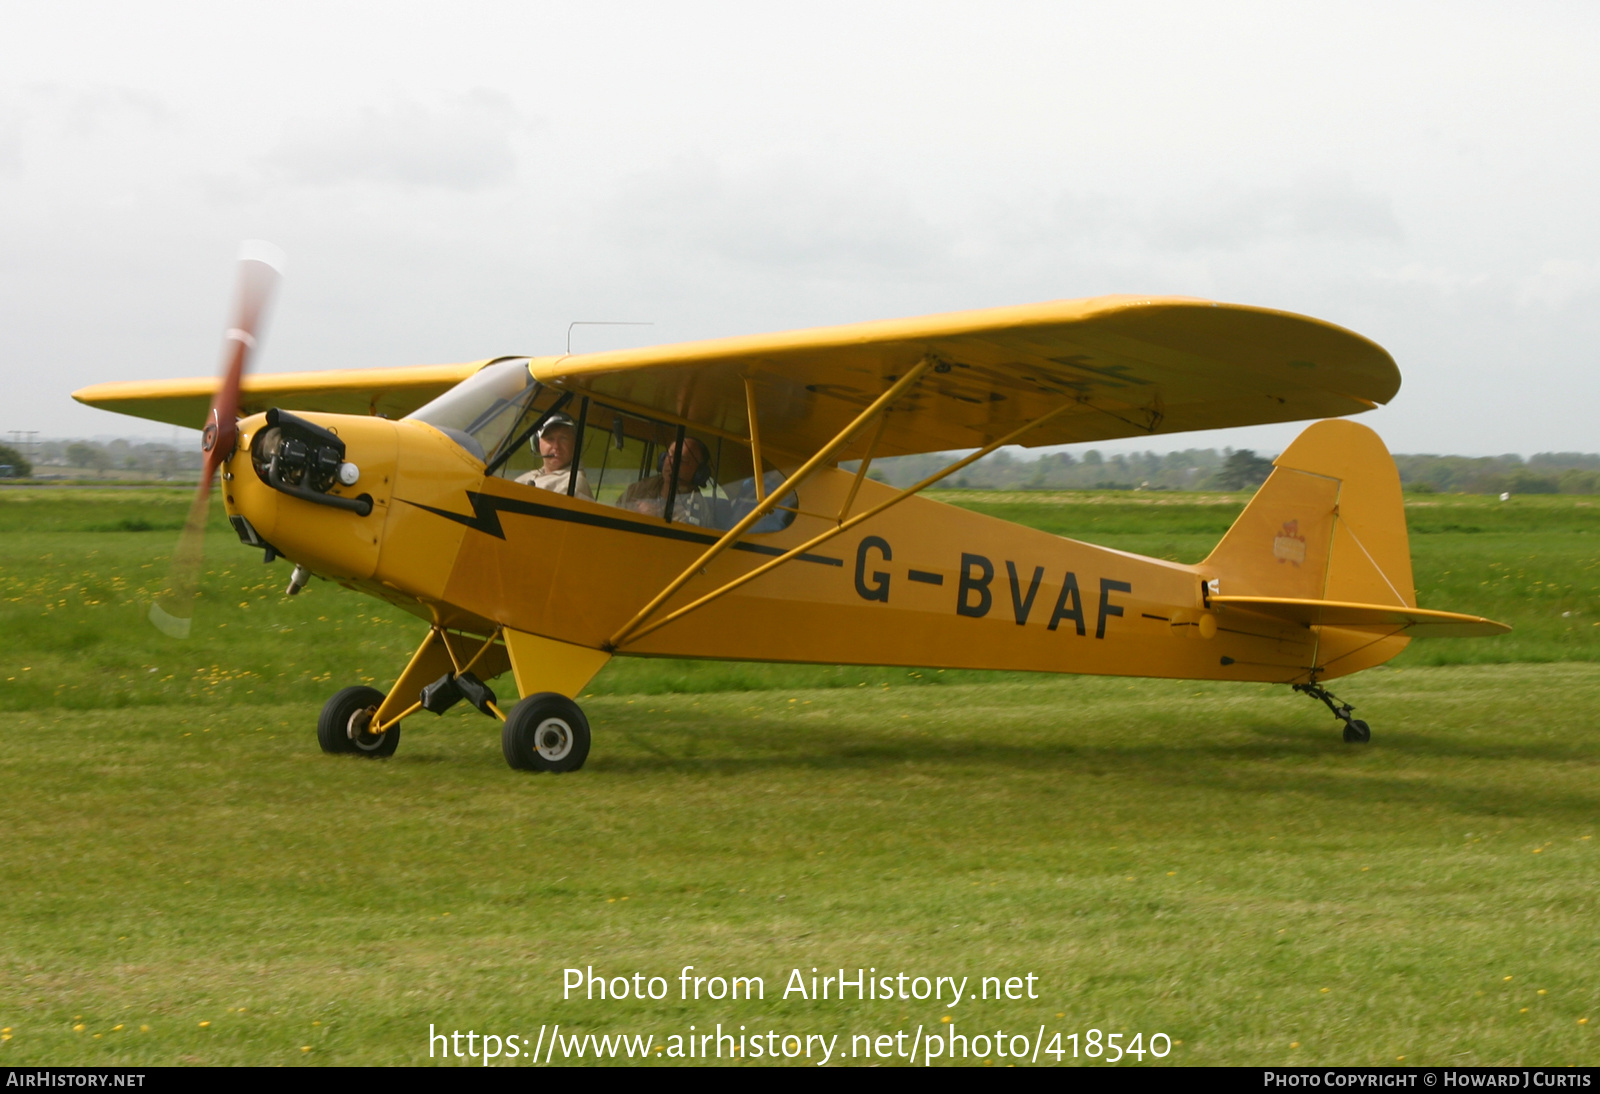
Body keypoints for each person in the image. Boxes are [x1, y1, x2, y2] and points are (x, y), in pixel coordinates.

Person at [620, 436, 712, 525]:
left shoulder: (698, 509)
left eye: (682, 460)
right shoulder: (639, 488)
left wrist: (658, 517)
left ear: (699, 472)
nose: (671, 462)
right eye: (669, 455)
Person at [514, 414, 592, 499]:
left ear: (576, 445)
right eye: (550, 439)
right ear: (537, 444)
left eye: (563, 438)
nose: (556, 446)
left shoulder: (574, 483)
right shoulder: (525, 478)